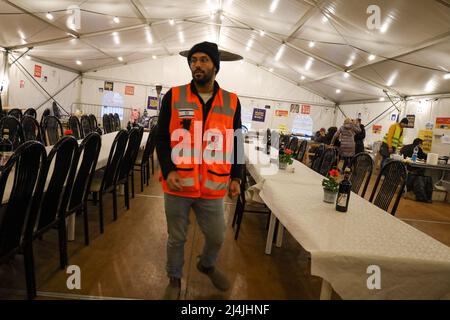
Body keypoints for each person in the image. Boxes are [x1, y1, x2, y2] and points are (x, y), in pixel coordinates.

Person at [156, 41, 243, 300]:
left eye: (204, 59)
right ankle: (174, 279)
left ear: (215, 66)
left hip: (213, 186)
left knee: (216, 236)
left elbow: (237, 139)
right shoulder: (174, 95)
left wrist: (237, 176)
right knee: (176, 238)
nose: (197, 64)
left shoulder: (232, 101)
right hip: (179, 184)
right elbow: (162, 137)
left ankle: (206, 264)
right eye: (193, 60)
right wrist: (169, 169)